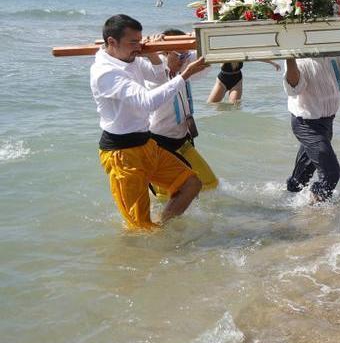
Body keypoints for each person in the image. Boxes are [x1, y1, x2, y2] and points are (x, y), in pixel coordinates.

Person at [90, 15, 207, 230]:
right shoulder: (105, 73)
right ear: (111, 43)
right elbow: (147, 102)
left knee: (191, 184)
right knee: (140, 227)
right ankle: (145, 254)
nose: (138, 47)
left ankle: (163, 229)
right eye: (133, 43)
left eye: (140, 41)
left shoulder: (129, 58)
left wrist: (152, 53)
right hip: (122, 153)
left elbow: (159, 77)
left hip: (147, 144)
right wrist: (186, 74)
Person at [146, 29, 219, 198]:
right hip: (159, 143)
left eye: (186, 56)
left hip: (183, 139)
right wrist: (157, 52)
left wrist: (196, 38)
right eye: (180, 55)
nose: (184, 60)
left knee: (209, 183)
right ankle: (163, 223)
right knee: (166, 195)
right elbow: (164, 80)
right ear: (165, 53)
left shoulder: (182, 67)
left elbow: (206, 58)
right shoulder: (153, 74)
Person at [283, 52, 340, 202]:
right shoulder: (297, 54)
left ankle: (287, 204)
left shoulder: (332, 46)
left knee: (299, 179)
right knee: (331, 173)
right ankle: (314, 213)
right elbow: (294, 88)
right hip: (306, 124)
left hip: (327, 122)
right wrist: (290, 56)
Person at [208, 59, 279, 104]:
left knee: (234, 107)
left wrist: (272, 63)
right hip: (222, 81)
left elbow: (255, 56)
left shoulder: (242, 50)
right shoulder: (225, 50)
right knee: (211, 105)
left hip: (237, 81)